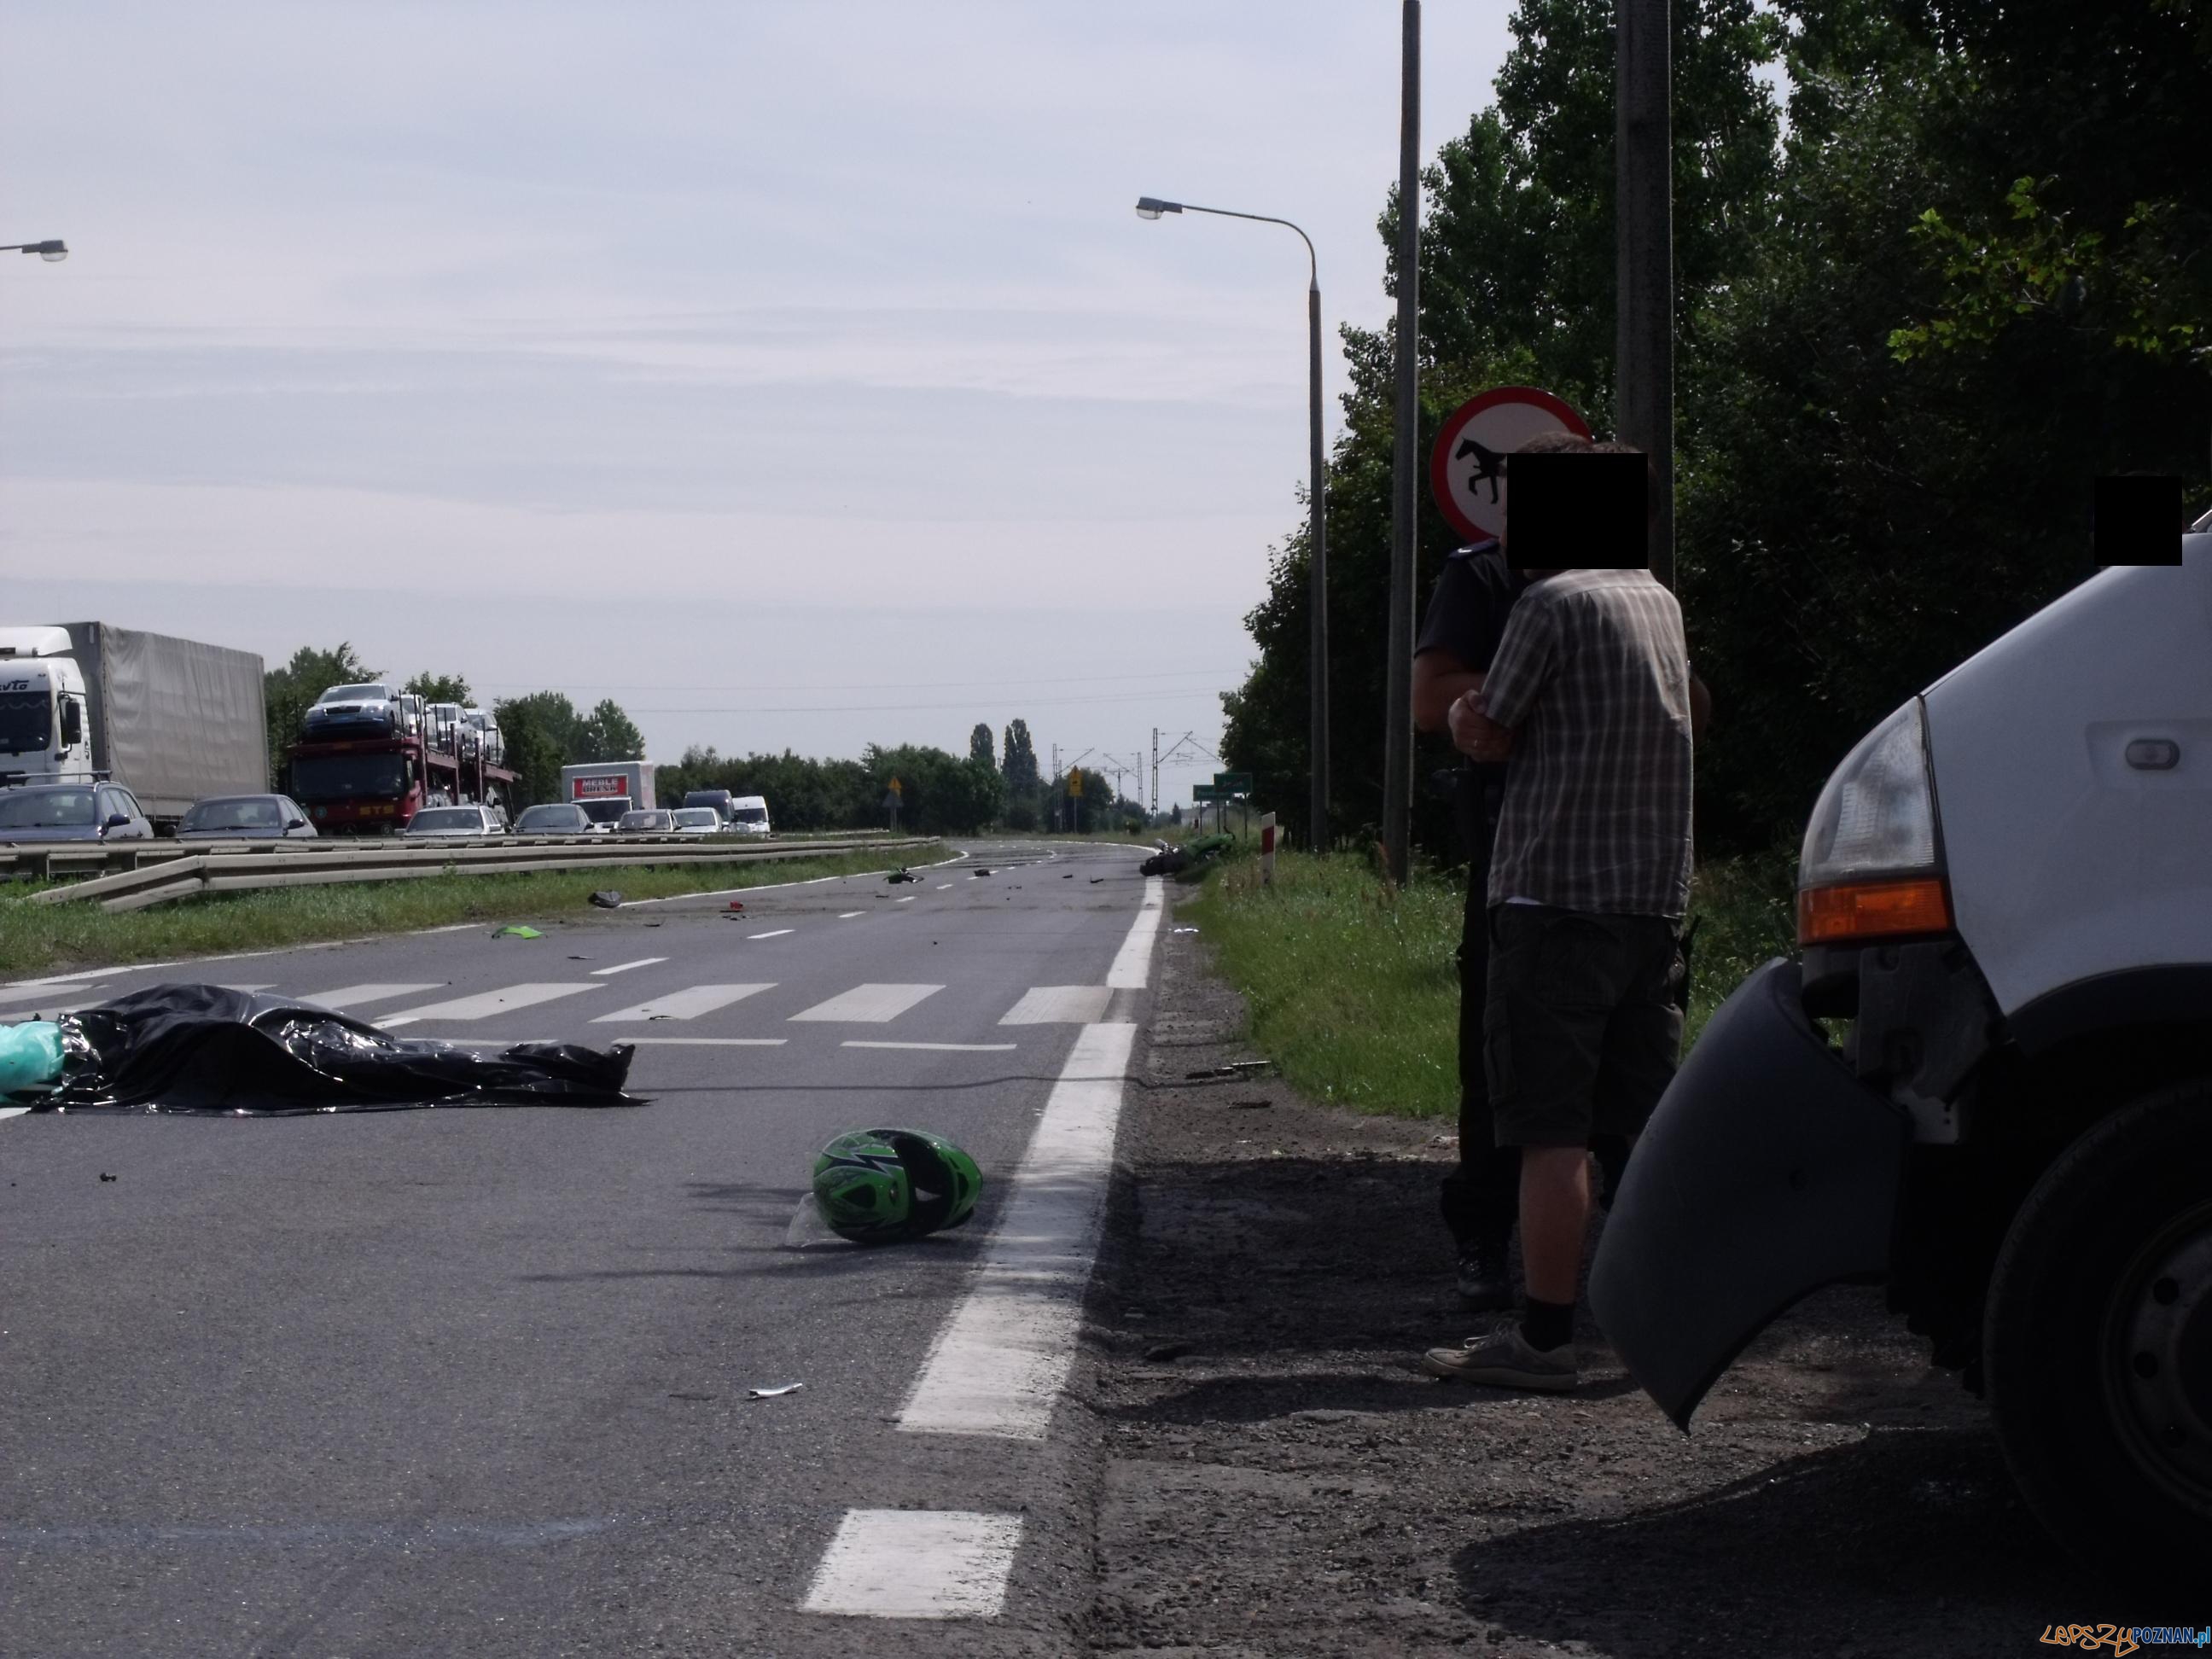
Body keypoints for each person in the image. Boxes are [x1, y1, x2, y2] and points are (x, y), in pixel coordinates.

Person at [1420, 438, 1698, 1394]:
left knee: (1550, 1133)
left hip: (1552, 901)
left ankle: (1543, 1337)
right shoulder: (1659, 603)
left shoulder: (1548, 604)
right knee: (1643, 1129)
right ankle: (1667, 1325)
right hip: (1651, 905)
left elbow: (1488, 728)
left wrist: (1467, 724)